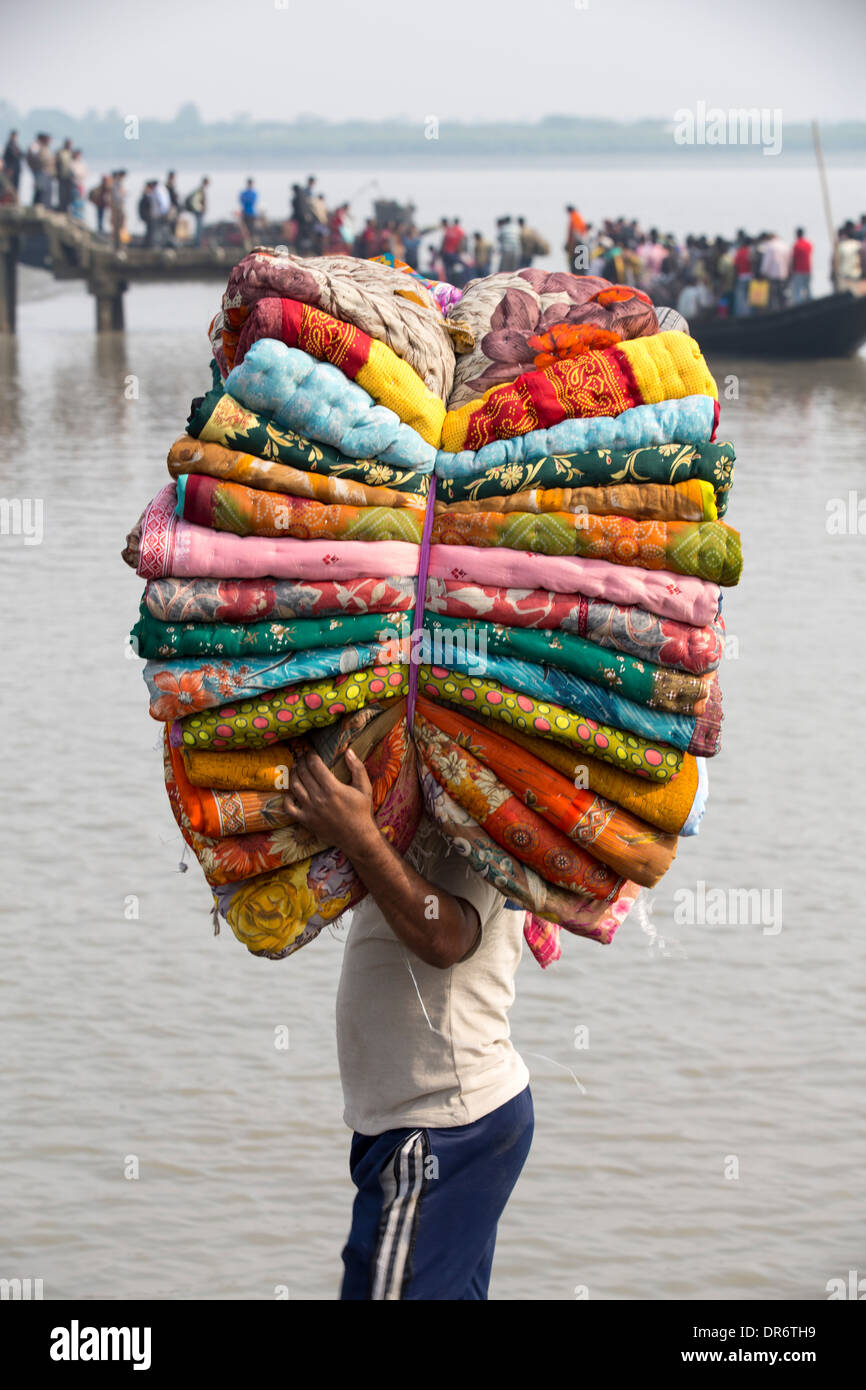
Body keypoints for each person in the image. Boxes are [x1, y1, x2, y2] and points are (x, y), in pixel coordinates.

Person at [279, 748, 533, 1301]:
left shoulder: (475, 813)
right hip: (425, 1123)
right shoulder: (415, 804)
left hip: (442, 1127)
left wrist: (360, 837)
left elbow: (446, 939)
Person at [759, 231, 790, 311]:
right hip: (783, 274)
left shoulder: (769, 246)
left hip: (772, 276)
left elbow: (767, 262)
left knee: (773, 295)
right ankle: (784, 308)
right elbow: (789, 260)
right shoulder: (784, 246)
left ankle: (775, 310)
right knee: (783, 294)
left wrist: (763, 272)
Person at [834, 222, 863, 294]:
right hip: (854, 274)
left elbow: (835, 262)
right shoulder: (857, 244)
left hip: (846, 275)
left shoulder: (841, 247)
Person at [790, 227, 812, 305]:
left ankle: (798, 304)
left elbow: (794, 259)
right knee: (807, 288)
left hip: (799, 270)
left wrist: (792, 270)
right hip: (808, 270)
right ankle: (809, 302)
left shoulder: (797, 245)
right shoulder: (808, 244)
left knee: (797, 290)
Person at [732, 233, 753, 317]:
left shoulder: (739, 252)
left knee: (741, 298)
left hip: (741, 276)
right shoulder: (751, 252)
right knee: (751, 298)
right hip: (750, 276)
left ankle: (742, 315)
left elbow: (735, 265)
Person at [185, 177, 209, 246]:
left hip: (198, 212)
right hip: (198, 212)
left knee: (199, 228)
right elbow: (195, 202)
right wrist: (200, 208)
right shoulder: (200, 190)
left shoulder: (200, 190)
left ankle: (198, 243)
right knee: (199, 228)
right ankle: (197, 243)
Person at [440, 217, 466, 281]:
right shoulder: (460, 231)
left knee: (448, 270)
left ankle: (449, 282)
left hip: (446, 253)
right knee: (465, 266)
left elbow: (444, 241)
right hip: (453, 253)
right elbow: (462, 242)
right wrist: (461, 251)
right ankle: (464, 281)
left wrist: (441, 252)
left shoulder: (449, 230)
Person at [564, 203, 588, 270]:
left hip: (578, 246)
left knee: (577, 271)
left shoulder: (574, 217)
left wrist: (571, 247)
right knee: (580, 269)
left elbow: (575, 234)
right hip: (581, 246)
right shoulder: (578, 217)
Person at [55, 138, 74, 213]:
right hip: (62, 176)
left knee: (68, 194)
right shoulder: (60, 153)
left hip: (69, 176)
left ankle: (66, 209)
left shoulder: (70, 153)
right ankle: (61, 208)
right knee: (62, 193)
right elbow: (57, 163)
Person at [239, 178, 259, 247]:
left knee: (252, 229)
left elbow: (252, 202)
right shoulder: (245, 193)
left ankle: (252, 243)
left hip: (251, 213)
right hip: (245, 213)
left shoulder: (253, 193)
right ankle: (247, 244)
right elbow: (242, 201)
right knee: (245, 230)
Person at [110, 169, 127, 248]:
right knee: (119, 226)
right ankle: (119, 244)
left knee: (120, 226)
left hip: (118, 207)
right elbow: (117, 197)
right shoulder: (116, 184)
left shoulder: (117, 184)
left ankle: (120, 243)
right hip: (118, 207)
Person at [3, 130, 22, 198]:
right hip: (11, 169)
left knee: (16, 185)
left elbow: (21, 154)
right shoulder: (9, 145)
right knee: (10, 186)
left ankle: (14, 199)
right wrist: (9, 168)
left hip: (16, 168)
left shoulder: (15, 145)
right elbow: (7, 157)